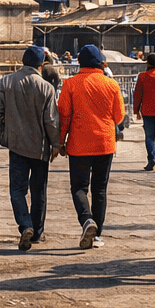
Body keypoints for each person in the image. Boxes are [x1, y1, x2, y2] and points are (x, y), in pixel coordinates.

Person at [0, 45, 61, 250]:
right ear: (41, 64)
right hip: (40, 147)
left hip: (17, 145)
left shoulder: (6, 81)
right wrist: (55, 143)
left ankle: (24, 224)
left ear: (22, 61)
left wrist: (4, 134)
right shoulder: (46, 87)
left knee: (17, 190)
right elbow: (51, 120)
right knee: (39, 191)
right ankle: (37, 232)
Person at [58, 44, 124, 249]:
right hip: (104, 143)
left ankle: (87, 220)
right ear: (101, 63)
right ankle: (98, 235)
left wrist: (61, 141)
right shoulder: (111, 84)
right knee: (100, 189)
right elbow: (119, 116)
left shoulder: (70, 84)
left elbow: (64, 115)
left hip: (79, 144)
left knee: (78, 187)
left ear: (79, 62)